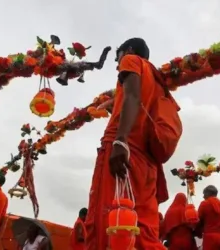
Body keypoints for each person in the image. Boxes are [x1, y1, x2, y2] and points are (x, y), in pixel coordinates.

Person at [85, 38, 182, 249]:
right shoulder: (158, 83)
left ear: (128, 50)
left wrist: (120, 140)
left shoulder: (131, 60)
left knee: (110, 223)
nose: (117, 62)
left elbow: (133, 96)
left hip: (124, 150)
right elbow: (136, 102)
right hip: (148, 163)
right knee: (143, 230)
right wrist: (115, 105)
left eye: (117, 56)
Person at [195, 185, 220, 250]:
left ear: (208, 193)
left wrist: (197, 233)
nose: (203, 196)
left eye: (204, 194)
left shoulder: (204, 204)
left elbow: (198, 222)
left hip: (210, 238)